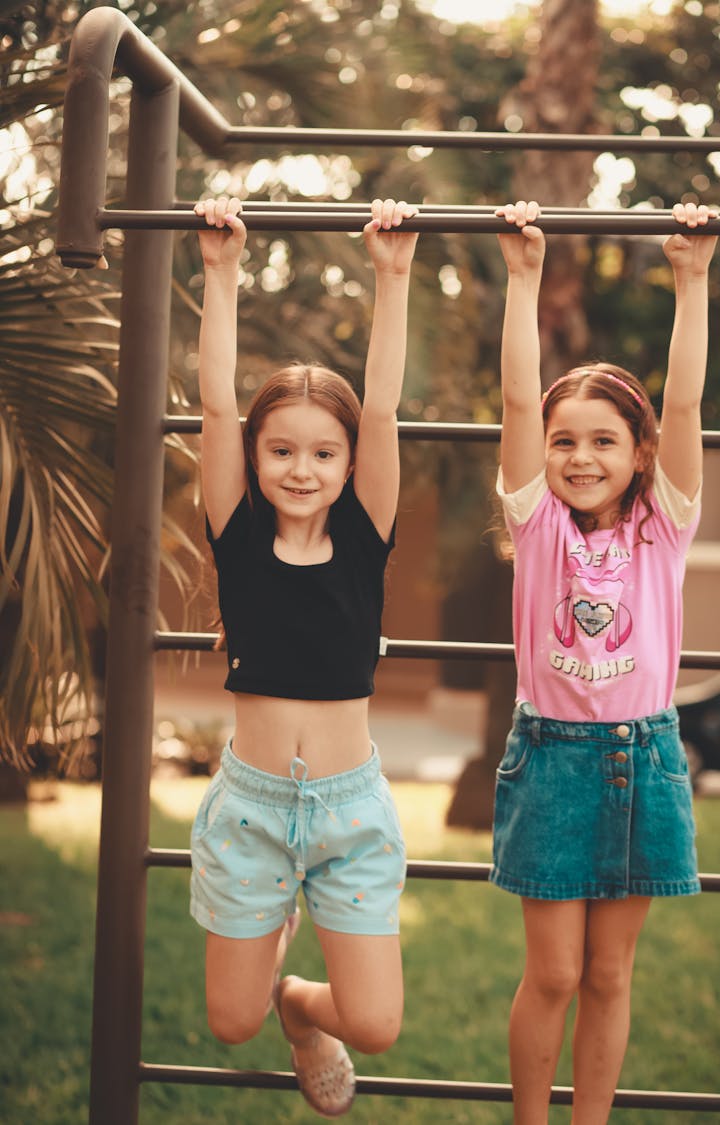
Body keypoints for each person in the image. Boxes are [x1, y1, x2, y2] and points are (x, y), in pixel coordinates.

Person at [189, 194, 419, 1118]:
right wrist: (220, 269)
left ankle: (302, 1000)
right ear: (255, 455)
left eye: (324, 452)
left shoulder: (366, 536)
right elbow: (211, 401)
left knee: (375, 1023)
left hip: (350, 810)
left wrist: (392, 277)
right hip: (250, 807)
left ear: (348, 461)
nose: (300, 467)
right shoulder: (237, 536)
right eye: (280, 449)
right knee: (228, 1020)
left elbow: (390, 403)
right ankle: (268, 994)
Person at [491, 198, 718, 1124]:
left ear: (638, 454)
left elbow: (688, 400)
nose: (581, 456)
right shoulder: (536, 523)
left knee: (610, 973)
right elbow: (513, 398)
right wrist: (522, 274)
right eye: (564, 440)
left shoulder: (665, 525)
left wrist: (692, 279)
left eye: (604, 440)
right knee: (552, 971)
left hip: (644, 756)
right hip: (552, 759)